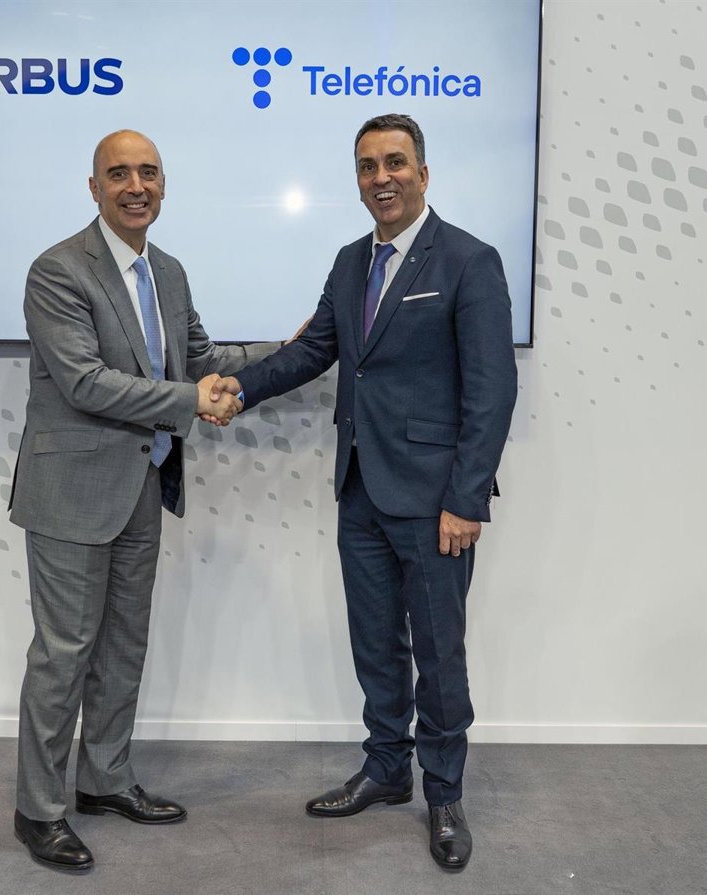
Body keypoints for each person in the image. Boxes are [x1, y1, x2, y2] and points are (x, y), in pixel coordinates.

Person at [212, 114, 517, 871]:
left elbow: (492, 391)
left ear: (423, 173)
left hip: (436, 502)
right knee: (376, 643)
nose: (382, 177)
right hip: (360, 490)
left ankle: (443, 793)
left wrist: (467, 499)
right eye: (368, 166)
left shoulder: (470, 261)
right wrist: (239, 389)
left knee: (438, 656)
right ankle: (386, 769)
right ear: (356, 180)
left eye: (395, 163)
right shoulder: (352, 263)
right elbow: (314, 350)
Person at [7, 129, 277, 872]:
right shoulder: (58, 270)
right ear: (93, 187)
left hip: (142, 484)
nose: (136, 186)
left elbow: (203, 359)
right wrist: (194, 400)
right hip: (71, 493)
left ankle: (104, 779)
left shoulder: (169, 272)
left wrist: (295, 350)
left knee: (123, 645)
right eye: (119, 173)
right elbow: (85, 382)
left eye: (149, 173)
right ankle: (39, 810)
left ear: (164, 184)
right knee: (64, 654)